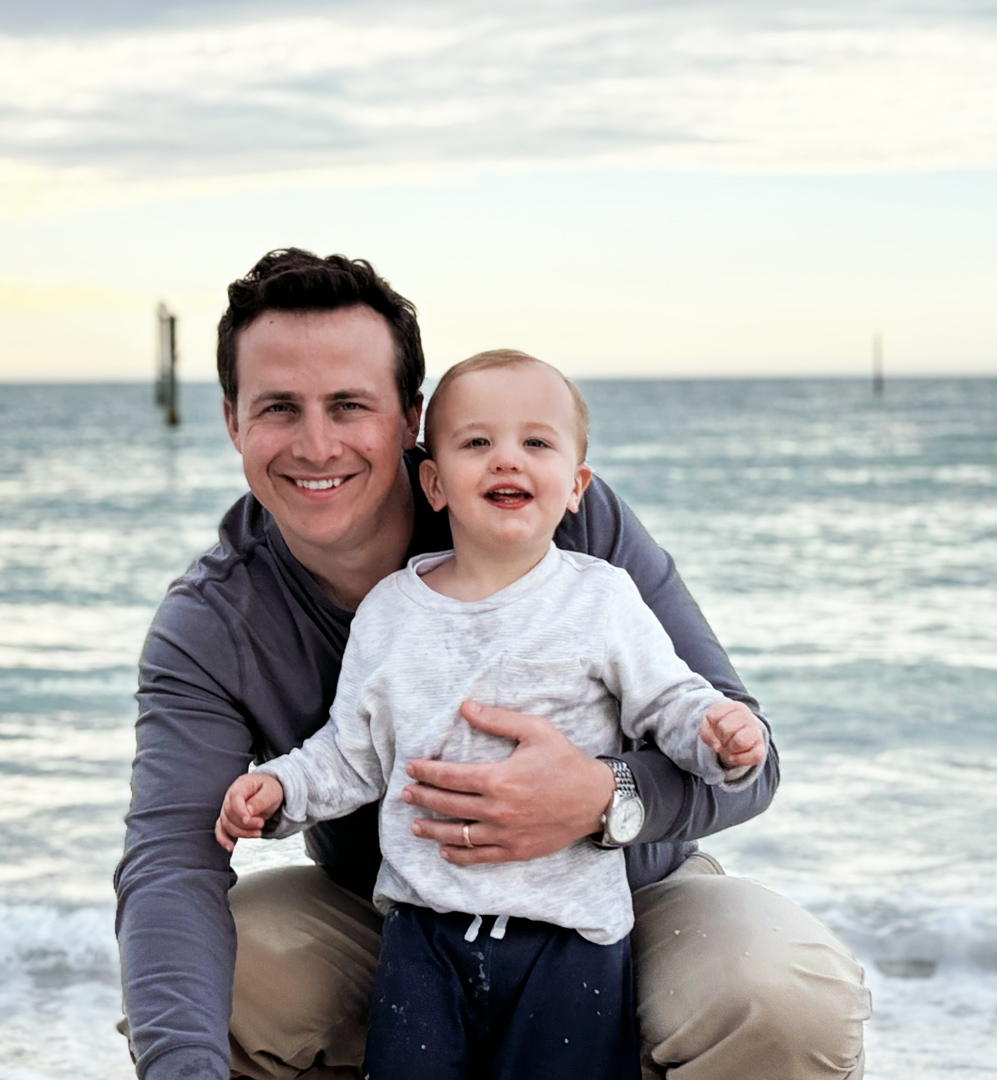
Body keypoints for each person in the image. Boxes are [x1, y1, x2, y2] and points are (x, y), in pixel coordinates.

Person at [114, 248, 870, 1080]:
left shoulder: (557, 524)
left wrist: (602, 796)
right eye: (279, 408)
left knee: (783, 994)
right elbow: (171, 863)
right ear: (232, 421)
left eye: (349, 405)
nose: (317, 444)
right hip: (399, 918)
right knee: (203, 980)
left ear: (409, 417)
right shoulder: (214, 619)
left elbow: (744, 761)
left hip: (623, 901)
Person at [214, 350, 769, 1080]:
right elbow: (351, 753)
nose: (506, 459)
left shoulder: (599, 598)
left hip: (569, 936)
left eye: (535, 443)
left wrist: (716, 733)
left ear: (575, 488)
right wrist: (282, 793)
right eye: (477, 443)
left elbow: (669, 701)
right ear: (434, 482)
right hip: (421, 933)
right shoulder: (390, 611)